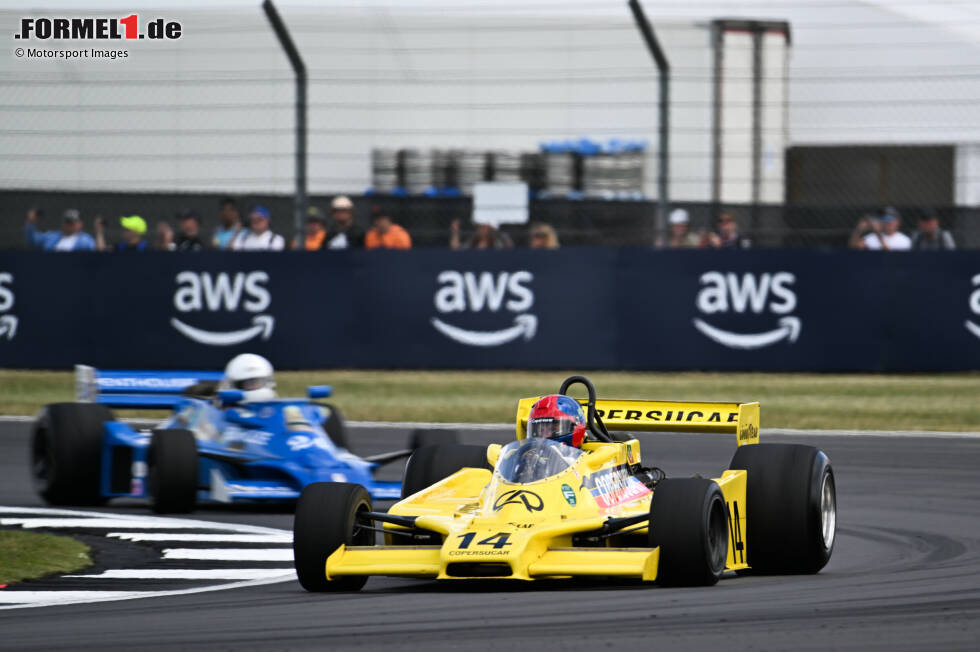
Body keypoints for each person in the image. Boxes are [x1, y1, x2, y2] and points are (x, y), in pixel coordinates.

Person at [24, 207, 96, 251]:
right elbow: (32, 240)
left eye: (72, 222)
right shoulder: (51, 236)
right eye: (67, 222)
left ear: (80, 224)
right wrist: (31, 222)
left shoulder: (86, 240)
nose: (69, 225)